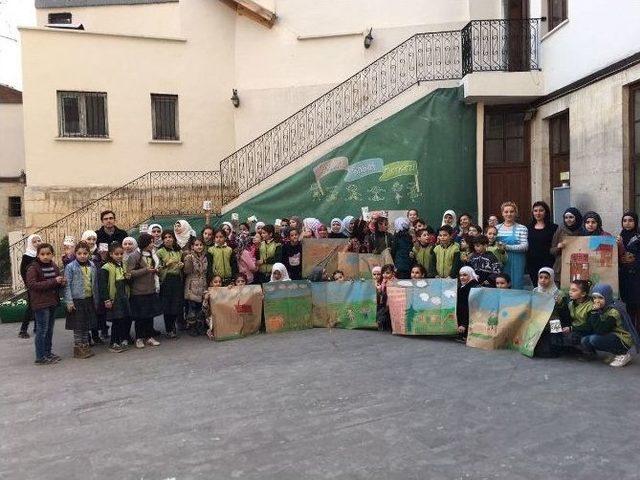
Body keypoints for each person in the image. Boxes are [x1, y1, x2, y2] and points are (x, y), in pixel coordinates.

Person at [26, 243, 64, 365]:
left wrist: (61, 282)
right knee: (42, 330)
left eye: (48, 254)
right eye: (42, 254)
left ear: (52, 254)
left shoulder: (53, 265)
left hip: (52, 301)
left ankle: (48, 353)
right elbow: (32, 285)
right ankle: (40, 357)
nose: (45, 256)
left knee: (49, 330)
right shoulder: (33, 268)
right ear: (38, 255)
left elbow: (56, 281)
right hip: (41, 303)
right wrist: (53, 281)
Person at [581, 283, 634, 367]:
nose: (597, 301)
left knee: (594, 339)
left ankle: (623, 354)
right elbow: (591, 326)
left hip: (623, 339)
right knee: (585, 340)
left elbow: (601, 330)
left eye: (600, 298)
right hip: (612, 335)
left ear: (607, 297)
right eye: (594, 298)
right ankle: (614, 353)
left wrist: (594, 313)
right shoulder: (601, 309)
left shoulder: (614, 310)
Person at [64, 241, 100, 359]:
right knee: (78, 326)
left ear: (88, 254)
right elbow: (67, 285)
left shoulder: (92, 265)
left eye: (85, 253)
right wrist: (69, 301)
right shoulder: (70, 267)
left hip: (89, 299)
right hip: (77, 300)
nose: (82, 255)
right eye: (79, 253)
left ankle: (85, 345)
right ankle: (78, 347)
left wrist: (96, 300)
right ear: (75, 254)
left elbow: (94, 284)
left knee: (86, 325)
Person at [126, 233, 161, 349]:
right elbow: (130, 273)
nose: (152, 244)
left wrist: (156, 270)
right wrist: (146, 270)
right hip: (139, 292)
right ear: (145, 243)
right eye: (150, 242)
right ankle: (139, 338)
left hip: (150, 289)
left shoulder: (152, 254)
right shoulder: (134, 256)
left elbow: (153, 269)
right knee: (140, 317)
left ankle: (149, 337)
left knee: (149, 316)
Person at [100, 242, 131, 352]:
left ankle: (122, 339)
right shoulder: (106, 267)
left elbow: (126, 280)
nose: (119, 256)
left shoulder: (123, 264)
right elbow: (103, 286)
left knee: (124, 319)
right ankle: (114, 342)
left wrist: (128, 277)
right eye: (116, 254)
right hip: (114, 297)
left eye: (121, 254)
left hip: (123, 295)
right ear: (111, 254)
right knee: (117, 320)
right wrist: (106, 299)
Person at [532, 267, 570, 358]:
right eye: (540, 277)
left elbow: (565, 314)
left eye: (546, 277)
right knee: (535, 350)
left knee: (553, 351)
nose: (543, 280)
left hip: (554, 321)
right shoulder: (535, 291)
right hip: (539, 321)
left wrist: (560, 303)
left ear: (552, 278)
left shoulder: (559, 294)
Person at [156, 231, 184, 338]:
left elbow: (181, 263)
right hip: (166, 280)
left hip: (177, 279)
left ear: (174, 238)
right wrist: (165, 265)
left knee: (176, 304)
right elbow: (157, 268)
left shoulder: (178, 251)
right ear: (163, 240)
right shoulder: (160, 252)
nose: (168, 239)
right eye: (165, 237)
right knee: (167, 305)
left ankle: (173, 326)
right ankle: (169, 328)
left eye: (170, 237)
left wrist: (181, 264)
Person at [495, 201, 528, 289]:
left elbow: (525, 246)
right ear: (502, 213)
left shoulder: (522, 228)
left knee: (516, 284)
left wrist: (506, 247)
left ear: (515, 213)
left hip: (517, 262)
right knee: (502, 285)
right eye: (506, 212)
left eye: (511, 211)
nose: (509, 214)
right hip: (501, 262)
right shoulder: (497, 228)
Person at [526, 201, 558, 285]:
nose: (538, 213)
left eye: (541, 210)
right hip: (532, 263)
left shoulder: (554, 227)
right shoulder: (528, 228)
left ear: (546, 212)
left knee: (547, 285)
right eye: (535, 211)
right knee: (536, 286)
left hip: (548, 261)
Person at [618, 211, 640, 330]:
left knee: (637, 305)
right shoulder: (620, 236)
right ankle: (632, 334)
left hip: (636, 277)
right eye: (624, 220)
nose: (627, 223)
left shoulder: (638, 236)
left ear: (635, 222)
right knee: (629, 306)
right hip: (625, 277)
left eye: (630, 220)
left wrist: (633, 261)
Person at [18, 234, 42, 339]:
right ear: (30, 243)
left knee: (40, 305)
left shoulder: (41, 254)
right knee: (31, 306)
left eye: (39, 241)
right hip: (32, 285)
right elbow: (23, 271)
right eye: (34, 242)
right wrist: (28, 284)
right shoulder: (27, 256)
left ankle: (37, 327)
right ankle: (23, 330)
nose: (37, 243)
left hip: (41, 284)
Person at [183, 236, 208, 332]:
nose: (199, 247)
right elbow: (187, 271)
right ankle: (191, 326)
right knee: (192, 308)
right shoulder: (189, 256)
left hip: (202, 284)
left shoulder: (205, 256)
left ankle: (199, 325)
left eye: (201, 245)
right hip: (192, 285)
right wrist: (188, 260)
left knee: (200, 307)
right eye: (196, 245)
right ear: (192, 246)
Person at [550, 207, 583, 279]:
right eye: (566, 217)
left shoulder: (583, 231)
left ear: (576, 218)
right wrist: (558, 247)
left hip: (577, 266)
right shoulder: (560, 229)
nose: (568, 220)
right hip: (561, 267)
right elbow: (552, 251)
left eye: (571, 217)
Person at [566, 279, 593, 351]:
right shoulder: (571, 303)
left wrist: (571, 328)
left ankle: (588, 350)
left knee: (571, 337)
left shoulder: (590, 306)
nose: (570, 292)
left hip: (585, 331)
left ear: (583, 294)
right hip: (574, 328)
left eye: (574, 290)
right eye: (570, 290)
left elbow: (589, 326)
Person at [456, 266, 480, 341]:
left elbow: (469, 308)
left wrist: (464, 324)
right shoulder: (464, 287)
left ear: (470, 275)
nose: (462, 277)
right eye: (460, 275)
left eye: (465, 275)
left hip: (467, 322)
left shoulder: (472, 288)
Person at [376, 264, 395, 332]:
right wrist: (379, 290)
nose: (385, 275)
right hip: (384, 302)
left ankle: (380, 322)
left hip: (392, 303)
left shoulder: (395, 281)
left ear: (393, 273)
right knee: (381, 311)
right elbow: (381, 293)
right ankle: (381, 323)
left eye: (387, 273)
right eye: (383, 273)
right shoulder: (383, 281)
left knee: (383, 313)